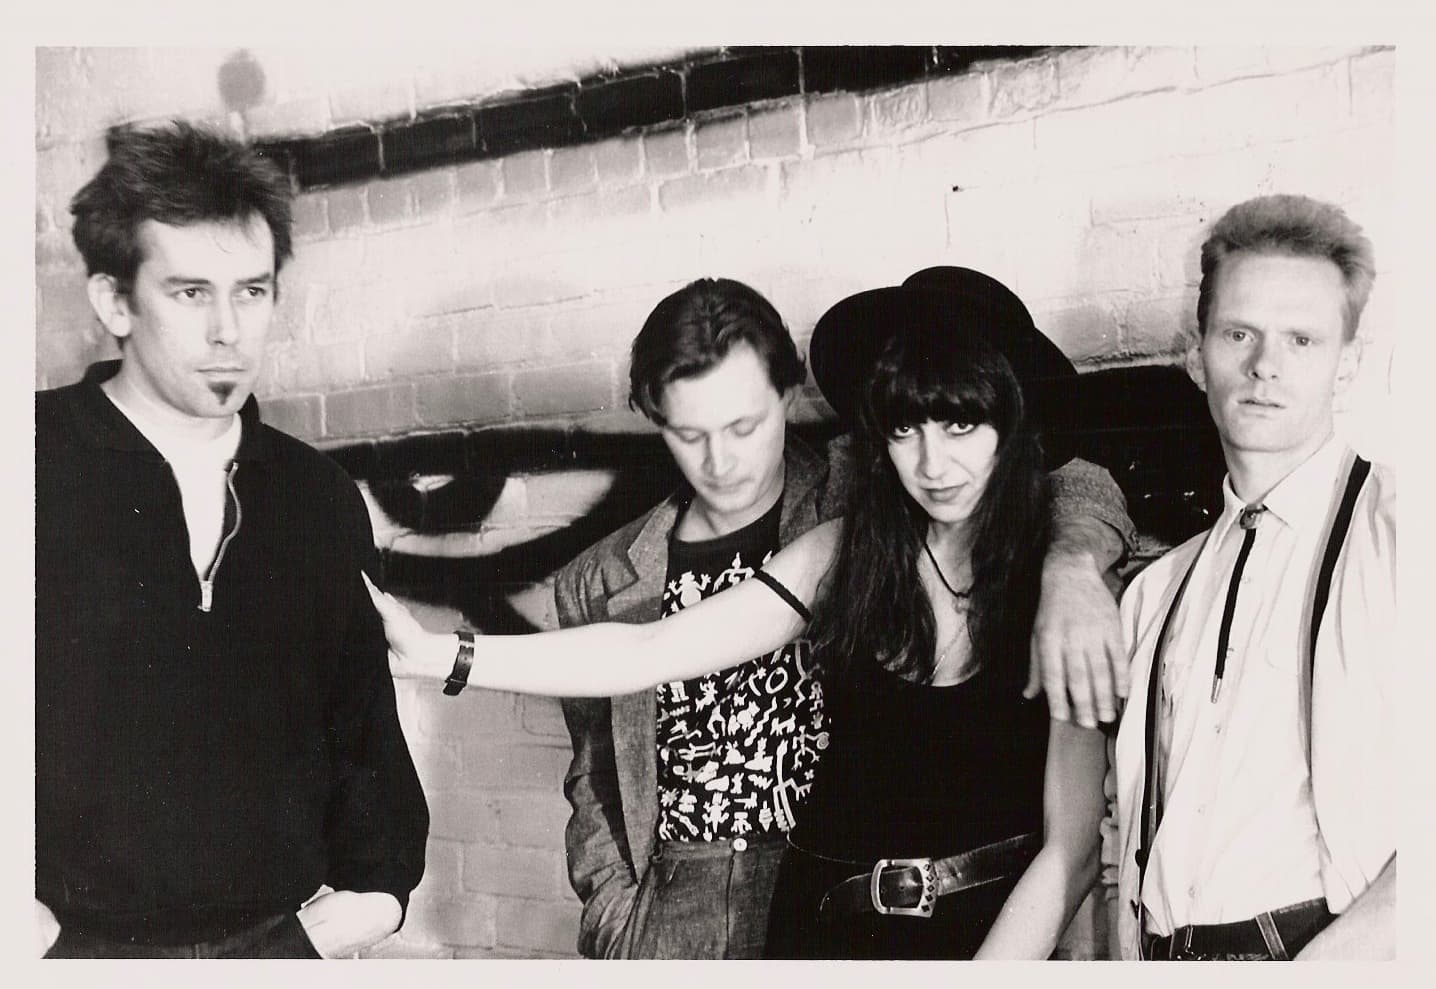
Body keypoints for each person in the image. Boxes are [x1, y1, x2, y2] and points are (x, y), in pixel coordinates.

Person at [369, 268, 1109, 959]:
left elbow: (1072, 851)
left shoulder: (1061, 585)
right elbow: (647, 651)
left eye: (960, 426)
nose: (934, 464)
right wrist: (439, 653)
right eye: (905, 429)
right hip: (821, 927)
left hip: (982, 931)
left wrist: (1075, 568)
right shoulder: (849, 550)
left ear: (1011, 419)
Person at [35, 121, 429, 958]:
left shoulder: (317, 495)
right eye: (190, 293)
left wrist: (362, 908)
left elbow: (367, 742)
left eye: (251, 291)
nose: (228, 331)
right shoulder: (31, 460)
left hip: (284, 943)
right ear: (114, 301)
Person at [1110, 194, 1395, 959]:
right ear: (1196, 353)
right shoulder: (1156, 593)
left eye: (1302, 339)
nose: (1265, 365)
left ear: (1347, 363)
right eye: (1239, 333)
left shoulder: (1402, 534)